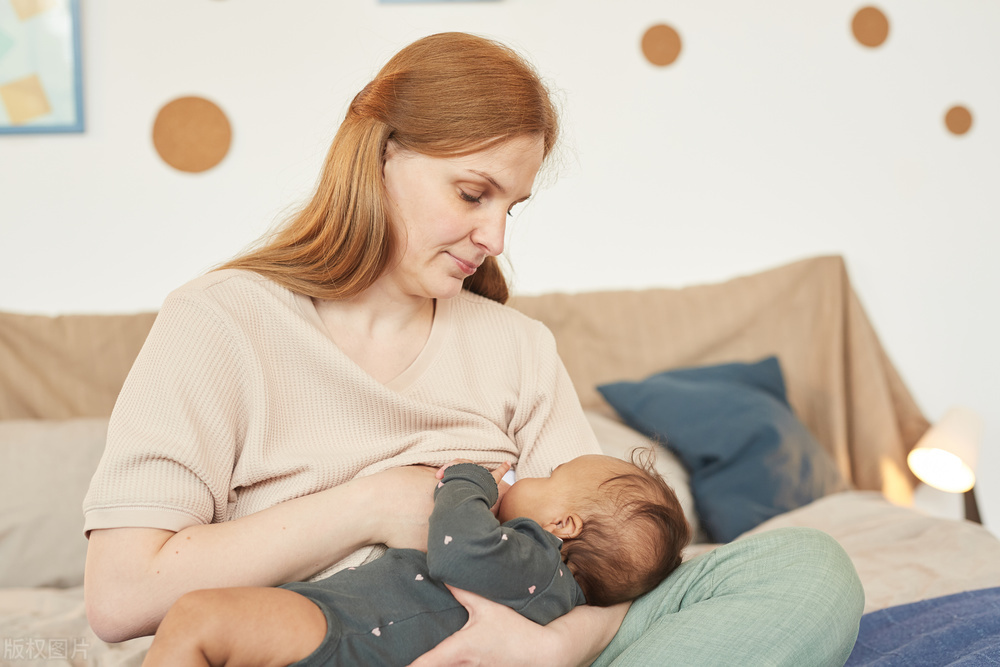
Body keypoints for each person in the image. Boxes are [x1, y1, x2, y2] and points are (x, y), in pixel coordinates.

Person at [83, 31, 864, 666]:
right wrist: (373, 504)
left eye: (511, 207)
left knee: (806, 567)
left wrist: (546, 646)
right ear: (381, 154)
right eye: (472, 192)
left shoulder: (516, 346)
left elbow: (611, 564)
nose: (494, 238)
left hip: (516, 645)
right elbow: (121, 596)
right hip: (330, 641)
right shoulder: (220, 323)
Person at [141, 453, 691, 666]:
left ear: (563, 526)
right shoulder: (547, 594)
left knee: (196, 618)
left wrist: (467, 482)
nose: (533, 476)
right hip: (355, 632)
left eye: (549, 479)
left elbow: (459, 550)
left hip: (355, 634)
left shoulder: (534, 562)